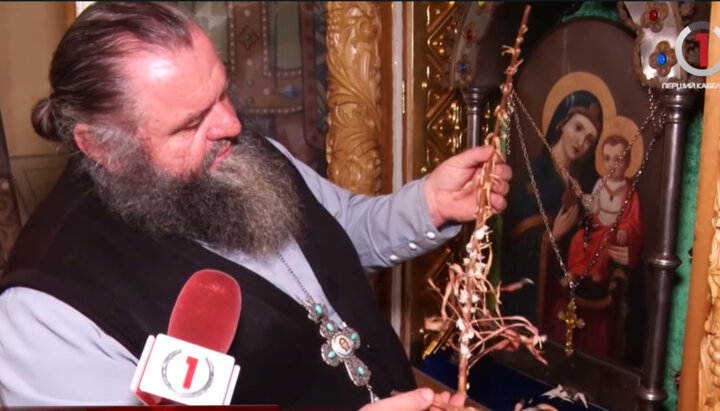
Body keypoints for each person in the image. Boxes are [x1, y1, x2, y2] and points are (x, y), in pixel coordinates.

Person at [0, 3, 510, 410]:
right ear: (102, 147)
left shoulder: (235, 149)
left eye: (223, 93)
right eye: (189, 123)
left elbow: (338, 234)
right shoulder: (44, 313)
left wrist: (429, 205)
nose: (230, 126)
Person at [502, 90, 603, 324]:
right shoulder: (536, 174)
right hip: (531, 295)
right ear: (561, 125)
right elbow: (514, 243)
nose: (582, 143)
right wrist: (552, 236)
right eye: (578, 129)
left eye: (590, 139)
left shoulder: (581, 183)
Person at [550, 120, 643, 358]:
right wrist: (583, 196)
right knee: (578, 238)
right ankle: (573, 272)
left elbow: (633, 221)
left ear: (628, 162)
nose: (613, 164)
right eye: (608, 158)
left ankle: (595, 274)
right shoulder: (601, 183)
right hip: (596, 226)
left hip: (612, 233)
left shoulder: (630, 190)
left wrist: (625, 229)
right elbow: (594, 206)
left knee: (603, 246)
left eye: (618, 159)